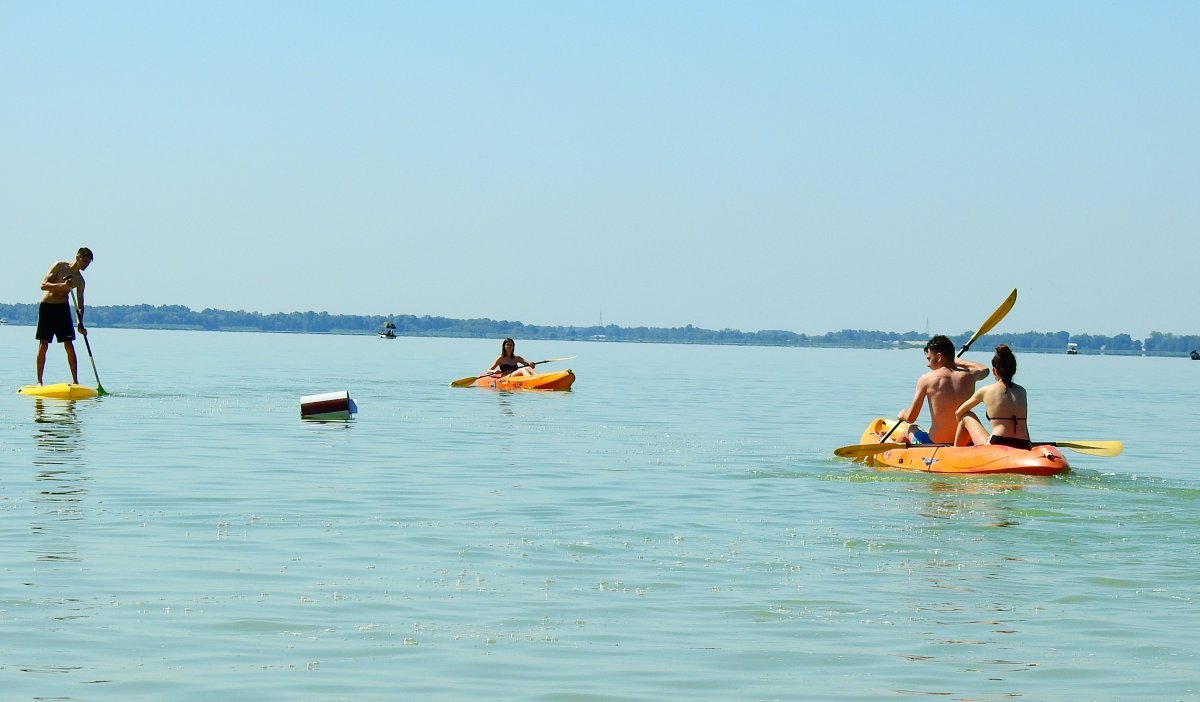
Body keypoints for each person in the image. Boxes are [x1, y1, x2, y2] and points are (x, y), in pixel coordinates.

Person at [896, 334, 989, 444]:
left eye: (929, 359)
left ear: (939, 356)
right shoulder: (969, 375)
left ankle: (887, 455)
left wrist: (902, 414)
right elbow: (985, 370)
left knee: (909, 428)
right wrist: (959, 361)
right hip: (964, 441)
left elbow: (911, 418)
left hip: (935, 442)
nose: (928, 364)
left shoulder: (926, 379)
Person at [954, 344, 1032, 450]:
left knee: (966, 416)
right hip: (1024, 443)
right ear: (1014, 370)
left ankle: (956, 452)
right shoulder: (1022, 391)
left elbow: (958, 413)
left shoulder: (986, 390)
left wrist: (970, 434)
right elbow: (1024, 425)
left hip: (997, 443)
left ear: (994, 371)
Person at [36, 247, 94, 386]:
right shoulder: (59, 266)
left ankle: (75, 381)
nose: (86, 264)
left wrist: (80, 323)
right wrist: (63, 285)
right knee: (43, 344)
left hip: (63, 309)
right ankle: (39, 381)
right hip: (47, 307)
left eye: (88, 262)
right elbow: (43, 285)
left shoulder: (80, 280)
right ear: (77, 257)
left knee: (69, 344)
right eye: (84, 261)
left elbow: (80, 304)